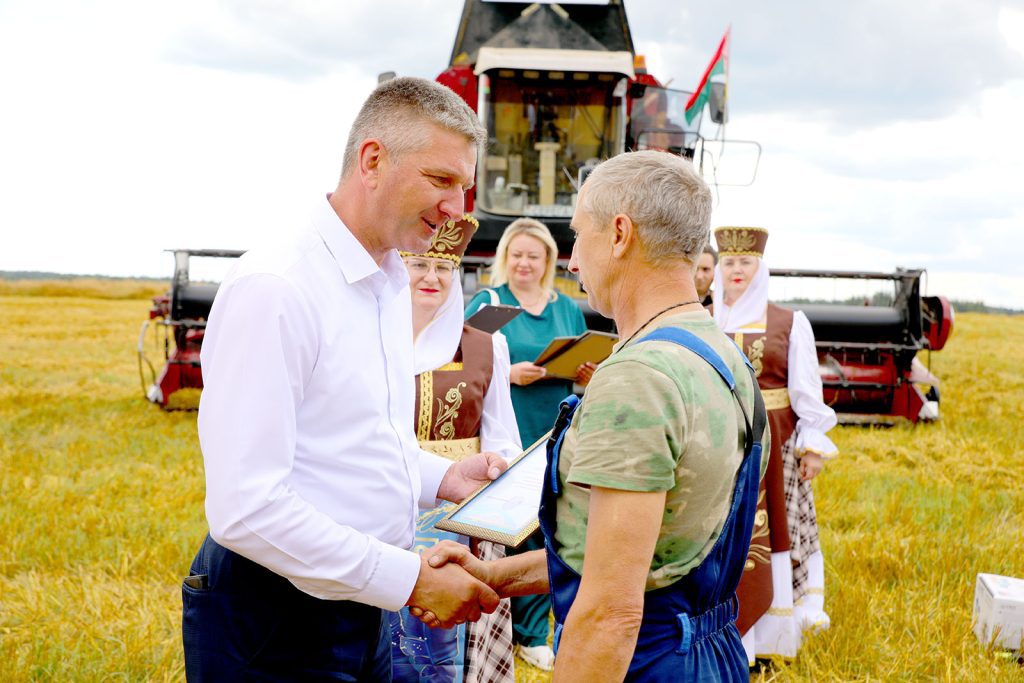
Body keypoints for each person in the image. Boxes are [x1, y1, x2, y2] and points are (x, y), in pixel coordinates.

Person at [181, 76, 510, 681]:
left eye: (465, 188)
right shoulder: (279, 289)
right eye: (441, 181)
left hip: (359, 603)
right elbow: (247, 507)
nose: (456, 211)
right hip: (273, 618)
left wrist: (442, 476)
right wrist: (408, 579)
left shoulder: (385, 280)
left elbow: (356, 441)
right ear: (373, 160)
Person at [421, 150, 770, 680]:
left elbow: (611, 610)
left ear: (620, 234)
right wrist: (495, 576)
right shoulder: (723, 355)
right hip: (711, 651)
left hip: (645, 662)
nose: (572, 262)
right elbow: (633, 553)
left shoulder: (637, 380)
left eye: (579, 235)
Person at [390, 215, 520, 683]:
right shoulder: (369, 338)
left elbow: (503, 434)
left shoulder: (487, 346)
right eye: (419, 263)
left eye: (443, 268)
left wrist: (497, 466)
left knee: (445, 645)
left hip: (456, 520)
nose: (432, 277)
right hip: (382, 506)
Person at [463, 217, 593, 672]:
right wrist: (510, 371)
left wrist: (581, 370)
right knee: (504, 526)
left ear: (547, 262)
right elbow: (461, 361)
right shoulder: (489, 301)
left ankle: (533, 633)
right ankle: (488, 618)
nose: (523, 263)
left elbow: (580, 354)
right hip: (505, 422)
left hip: (551, 423)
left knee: (545, 525)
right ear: (505, 258)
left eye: (532, 256)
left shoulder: (566, 307)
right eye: (516, 254)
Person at [711, 226, 839, 664]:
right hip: (718, 442)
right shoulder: (704, 318)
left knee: (774, 531)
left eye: (746, 262)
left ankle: (771, 638)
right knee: (722, 532)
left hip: (775, 442)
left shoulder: (788, 321)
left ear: (759, 268)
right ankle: (726, 636)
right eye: (729, 262)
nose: (737, 270)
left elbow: (806, 388)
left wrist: (813, 444)